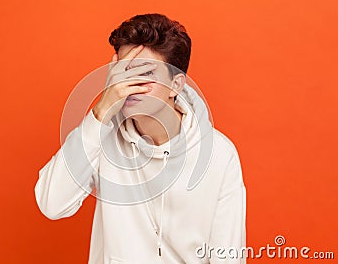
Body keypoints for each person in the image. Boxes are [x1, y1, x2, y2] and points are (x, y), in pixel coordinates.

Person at [35, 13, 246, 264]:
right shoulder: (101, 141)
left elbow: (228, 256)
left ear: (176, 85)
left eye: (145, 73)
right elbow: (52, 204)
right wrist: (101, 112)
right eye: (123, 72)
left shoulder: (219, 154)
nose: (130, 84)